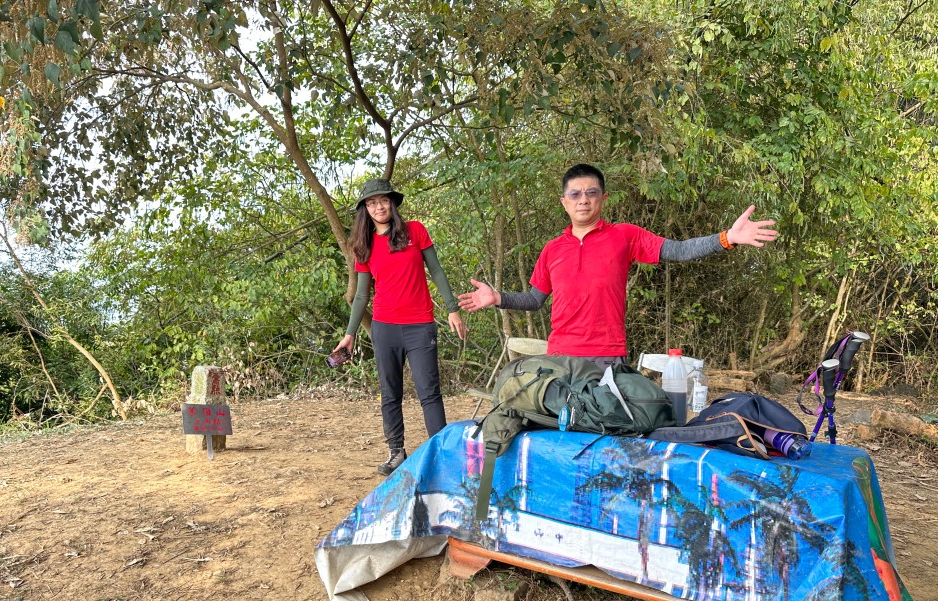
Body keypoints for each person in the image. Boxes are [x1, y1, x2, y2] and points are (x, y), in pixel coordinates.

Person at [457, 163, 777, 368]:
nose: (583, 199)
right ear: (564, 202)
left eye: (591, 192)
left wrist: (727, 237)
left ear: (603, 198)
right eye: (575, 194)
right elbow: (534, 299)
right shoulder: (552, 249)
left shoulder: (624, 235)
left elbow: (678, 250)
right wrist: (498, 298)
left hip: (606, 356)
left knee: (605, 439)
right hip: (560, 356)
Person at [333, 178, 467, 475]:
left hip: (420, 325)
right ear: (365, 209)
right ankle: (396, 452)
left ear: (392, 203)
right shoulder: (364, 246)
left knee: (429, 391)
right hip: (385, 328)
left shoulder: (415, 231)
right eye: (371, 203)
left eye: (383, 200)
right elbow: (361, 295)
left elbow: (436, 270)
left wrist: (452, 309)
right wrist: (349, 334)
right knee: (390, 392)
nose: (378, 207)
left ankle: (442, 454)